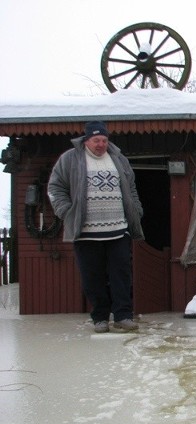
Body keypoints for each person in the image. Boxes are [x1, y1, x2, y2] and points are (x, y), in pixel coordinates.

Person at [48, 121, 144, 333]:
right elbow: (55, 188)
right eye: (96, 140)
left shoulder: (118, 159)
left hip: (118, 229)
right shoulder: (70, 159)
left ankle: (123, 316)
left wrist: (136, 210)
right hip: (86, 233)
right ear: (86, 140)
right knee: (93, 278)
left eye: (104, 140)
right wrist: (66, 212)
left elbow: (131, 187)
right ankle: (100, 318)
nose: (101, 144)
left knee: (122, 276)